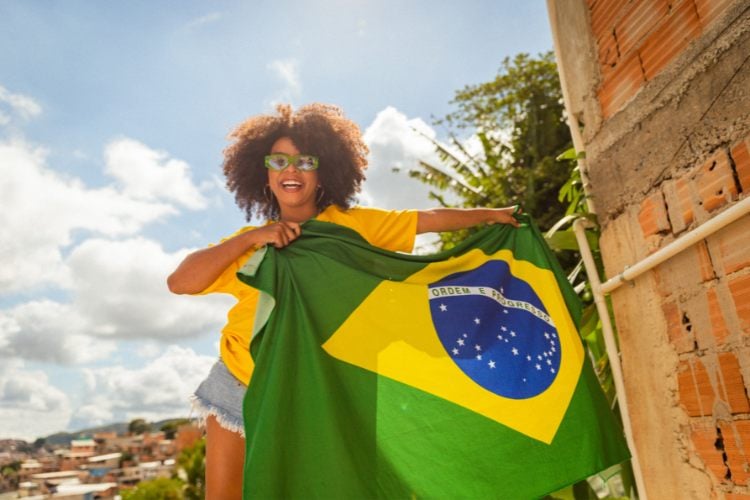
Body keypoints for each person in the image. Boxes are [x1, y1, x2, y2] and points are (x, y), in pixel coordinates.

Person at [167, 103, 520, 499]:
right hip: (239, 385)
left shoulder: (352, 227)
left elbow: (427, 218)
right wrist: (250, 240)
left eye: (305, 161)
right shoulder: (251, 243)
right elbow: (181, 281)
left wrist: (490, 215)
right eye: (279, 161)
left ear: (324, 173)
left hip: (315, 393)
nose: (291, 170)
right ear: (264, 175)